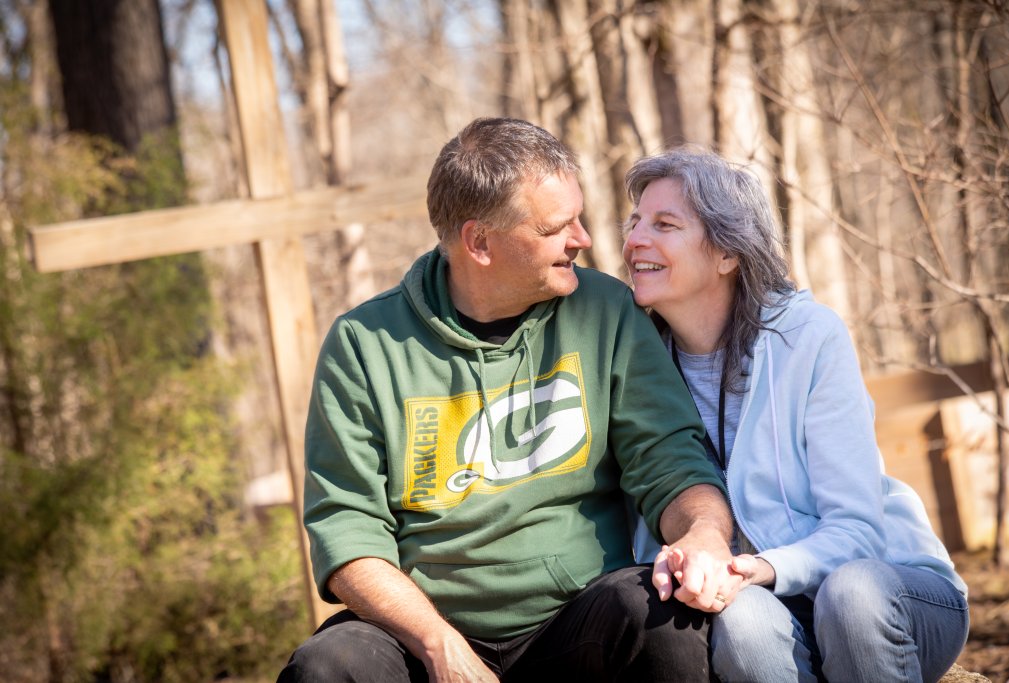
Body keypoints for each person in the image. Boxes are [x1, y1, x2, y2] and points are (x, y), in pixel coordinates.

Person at [278, 118, 740, 683]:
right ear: (479, 243)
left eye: (578, 216)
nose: (583, 239)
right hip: (428, 632)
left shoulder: (606, 312)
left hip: (575, 618)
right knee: (328, 666)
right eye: (555, 227)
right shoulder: (365, 345)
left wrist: (703, 533)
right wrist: (437, 644)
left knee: (660, 613)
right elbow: (346, 528)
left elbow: (670, 460)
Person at [622, 147, 969, 683]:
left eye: (664, 224)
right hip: (752, 599)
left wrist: (761, 566)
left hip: (890, 590)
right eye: (635, 221)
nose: (635, 239)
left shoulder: (807, 337)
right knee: (741, 622)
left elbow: (858, 531)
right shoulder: (633, 362)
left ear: (727, 254)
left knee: (850, 595)